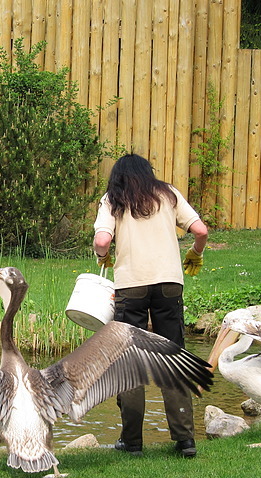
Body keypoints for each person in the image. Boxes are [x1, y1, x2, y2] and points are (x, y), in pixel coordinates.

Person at [93, 153, 208, 457]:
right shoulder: (168, 194)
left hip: (131, 286)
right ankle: (185, 440)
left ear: (118, 176)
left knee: (130, 363)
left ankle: (132, 443)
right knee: (174, 357)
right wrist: (195, 253)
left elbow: (102, 241)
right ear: (148, 172)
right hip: (169, 283)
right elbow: (201, 231)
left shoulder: (113, 198)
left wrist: (103, 258)